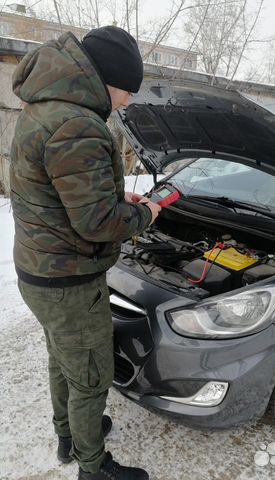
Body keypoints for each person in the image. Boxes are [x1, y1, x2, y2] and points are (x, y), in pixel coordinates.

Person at [10, 26, 161, 480]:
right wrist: (146, 213)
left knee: (65, 359)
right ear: (107, 80)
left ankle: (68, 436)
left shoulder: (46, 106)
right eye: (126, 92)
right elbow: (97, 224)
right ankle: (93, 468)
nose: (128, 103)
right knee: (92, 377)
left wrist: (118, 198)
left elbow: (68, 197)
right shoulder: (78, 124)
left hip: (40, 268)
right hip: (70, 281)